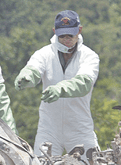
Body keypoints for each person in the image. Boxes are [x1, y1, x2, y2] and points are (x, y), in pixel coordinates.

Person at [14, 10, 100, 157]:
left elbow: (84, 83)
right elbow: (35, 67)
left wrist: (61, 88)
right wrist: (27, 76)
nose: (67, 39)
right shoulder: (44, 53)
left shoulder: (89, 56)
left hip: (80, 129)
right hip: (49, 129)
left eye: (70, 35)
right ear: (54, 32)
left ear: (79, 30)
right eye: (62, 36)